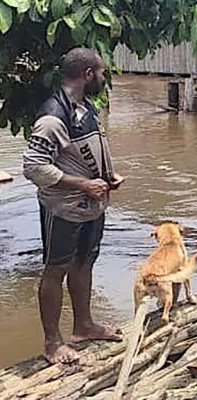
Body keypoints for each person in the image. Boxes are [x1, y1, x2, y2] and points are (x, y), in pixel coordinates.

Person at [22, 47, 125, 364]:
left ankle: (84, 325)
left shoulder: (86, 106)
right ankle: (53, 343)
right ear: (88, 74)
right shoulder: (54, 116)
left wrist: (107, 176)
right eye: (102, 72)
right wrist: (83, 184)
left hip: (91, 206)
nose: (104, 78)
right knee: (56, 270)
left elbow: (85, 151)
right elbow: (33, 167)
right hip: (64, 208)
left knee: (85, 262)